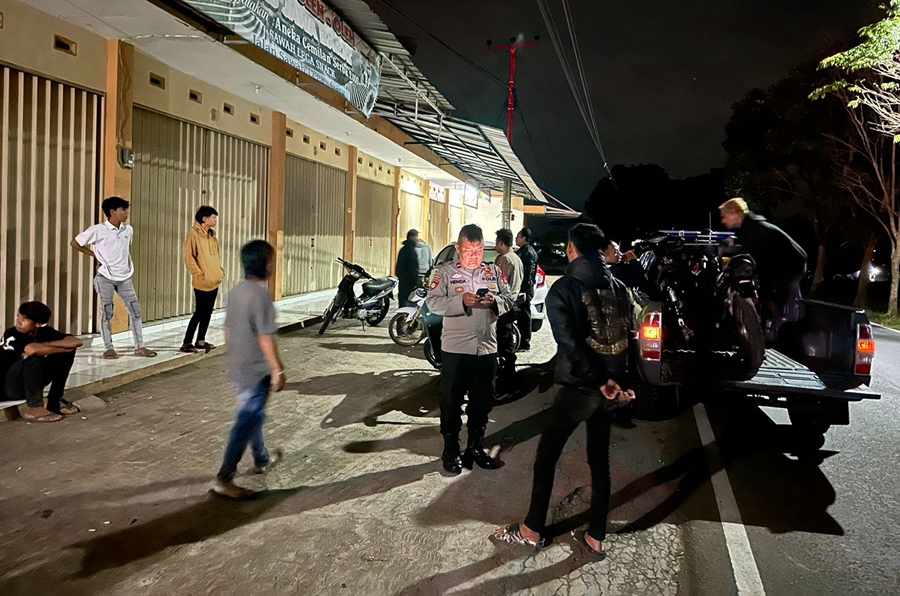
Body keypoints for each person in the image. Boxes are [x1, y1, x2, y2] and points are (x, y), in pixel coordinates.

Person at [493, 223, 635, 559]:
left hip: (580, 389)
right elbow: (628, 338)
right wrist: (621, 384)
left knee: (547, 456)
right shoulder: (620, 288)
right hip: (610, 391)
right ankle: (595, 537)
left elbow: (570, 342)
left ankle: (531, 529)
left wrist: (599, 380)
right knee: (599, 461)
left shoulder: (565, 288)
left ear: (572, 249)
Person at [426, 224, 516, 476]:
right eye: (468, 250)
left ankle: (475, 447)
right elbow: (432, 303)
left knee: (482, 402)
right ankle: (451, 450)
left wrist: (494, 301)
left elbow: (510, 298)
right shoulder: (444, 273)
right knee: (451, 401)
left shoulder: (493, 271)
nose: (474, 256)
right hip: (456, 349)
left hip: (486, 348)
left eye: (478, 251)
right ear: (458, 248)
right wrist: (460, 300)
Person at [213, 240, 286, 499]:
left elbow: (227, 330)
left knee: (253, 415)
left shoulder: (235, 293)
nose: (273, 266)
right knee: (246, 420)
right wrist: (277, 369)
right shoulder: (261, 297)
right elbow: (265, 338)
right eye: (272, 261)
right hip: (256, 370)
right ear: (265, 265)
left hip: (237, 367)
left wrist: (232, 357)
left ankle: (262, 458)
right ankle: (224, 478)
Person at [71, 196, 157, 359]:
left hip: (125, 277)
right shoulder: (97, 230)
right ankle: (108, 347)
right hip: (105, 277)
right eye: (122, 209)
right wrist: (95, 256)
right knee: (106, 312)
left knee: (135, 311)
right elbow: (75, 243)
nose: (126, 212)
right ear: (112, 212)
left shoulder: (128, 230)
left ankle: (140, 346)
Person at [719, 197, 808, 336]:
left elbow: (759, 263)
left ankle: (766, 333)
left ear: (735, 214)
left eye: (724, 216)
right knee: (765, 295)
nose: (723, 221)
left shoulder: (754, 231)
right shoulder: (751, 227)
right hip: (786, 264)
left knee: (768, 299)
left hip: (789, 266)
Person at [2, 301, 83, 422]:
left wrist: (51, 347)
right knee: (31, 358)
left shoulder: (44, 332)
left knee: (66, 354)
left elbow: (76, 341)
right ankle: (35, 408)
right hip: (7, 388)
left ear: (39, 324)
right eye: (18, 316)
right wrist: (61, 348)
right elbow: (31, 349)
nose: (18, 321)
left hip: (28, 384)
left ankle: (54, 402)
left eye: (25, 319)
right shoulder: (12, 333)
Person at [182, 206, 225, 353]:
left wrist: (219, 271)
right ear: (204, 219)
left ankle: (201, 340)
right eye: (213, 217)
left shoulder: (212, 237)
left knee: (208, 312)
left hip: (214, 280)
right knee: (200, 312)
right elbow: (189, 258)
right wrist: (199, 274)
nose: (215, 220)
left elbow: (216, 256)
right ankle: (187, 342)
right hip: (202, 281)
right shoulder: (193, 235)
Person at [495, 228, 524, 377]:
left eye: (496, 242)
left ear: (501, 242)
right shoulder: (516, 258)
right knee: (505, 337)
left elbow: (500, 284)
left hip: (506, 303)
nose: (495, 245)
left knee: (504, 338)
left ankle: (507, 372)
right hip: (513, 301)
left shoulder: (506, 259)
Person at [515, 228, 539, 351]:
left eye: (518, 236)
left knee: (524, 316)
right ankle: (521, 341)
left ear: (524, 238)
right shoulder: (522, 251)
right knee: (521, 316)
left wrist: (524, 290)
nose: (516, 238)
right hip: (522, 288)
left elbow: (528, 274)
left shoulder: (528, 252)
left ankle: (525, 343)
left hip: (525, 290)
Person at [396, 229, 433, 307]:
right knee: (411, 300)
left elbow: (399, 267)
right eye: (416, 236)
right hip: (411, 280)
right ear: (411, 237)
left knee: (405, 300)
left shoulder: (405, 249)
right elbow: (411, 267)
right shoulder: (410, 250)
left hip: (406, 281)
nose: (417, 239)